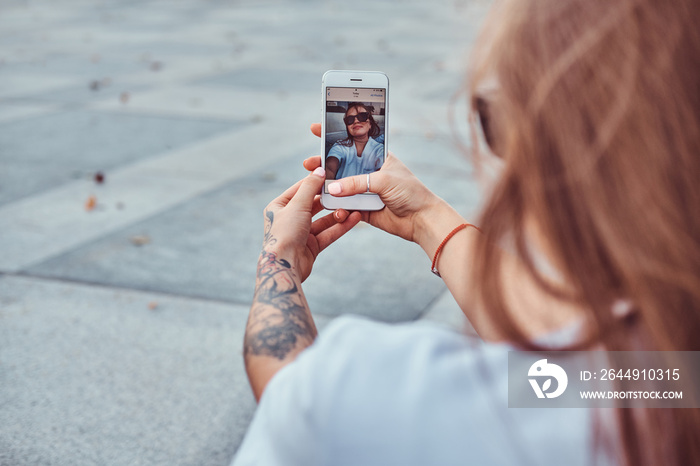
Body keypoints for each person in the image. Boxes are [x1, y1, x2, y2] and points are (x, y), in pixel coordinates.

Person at [234, 0, 700, 465]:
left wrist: (279, 258)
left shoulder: (384, 396)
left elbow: (286, 389)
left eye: (491, 116)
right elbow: (568, 360)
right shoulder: (669, 375)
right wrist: (424, 218)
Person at [325, 102, 384, 180]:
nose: (356, 121)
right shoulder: (340, 146)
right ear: (347, 127)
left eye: (362, 116)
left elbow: (382, 176)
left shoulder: (380, 150)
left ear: (370, 124)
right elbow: (329, 168)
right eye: (350, 119)